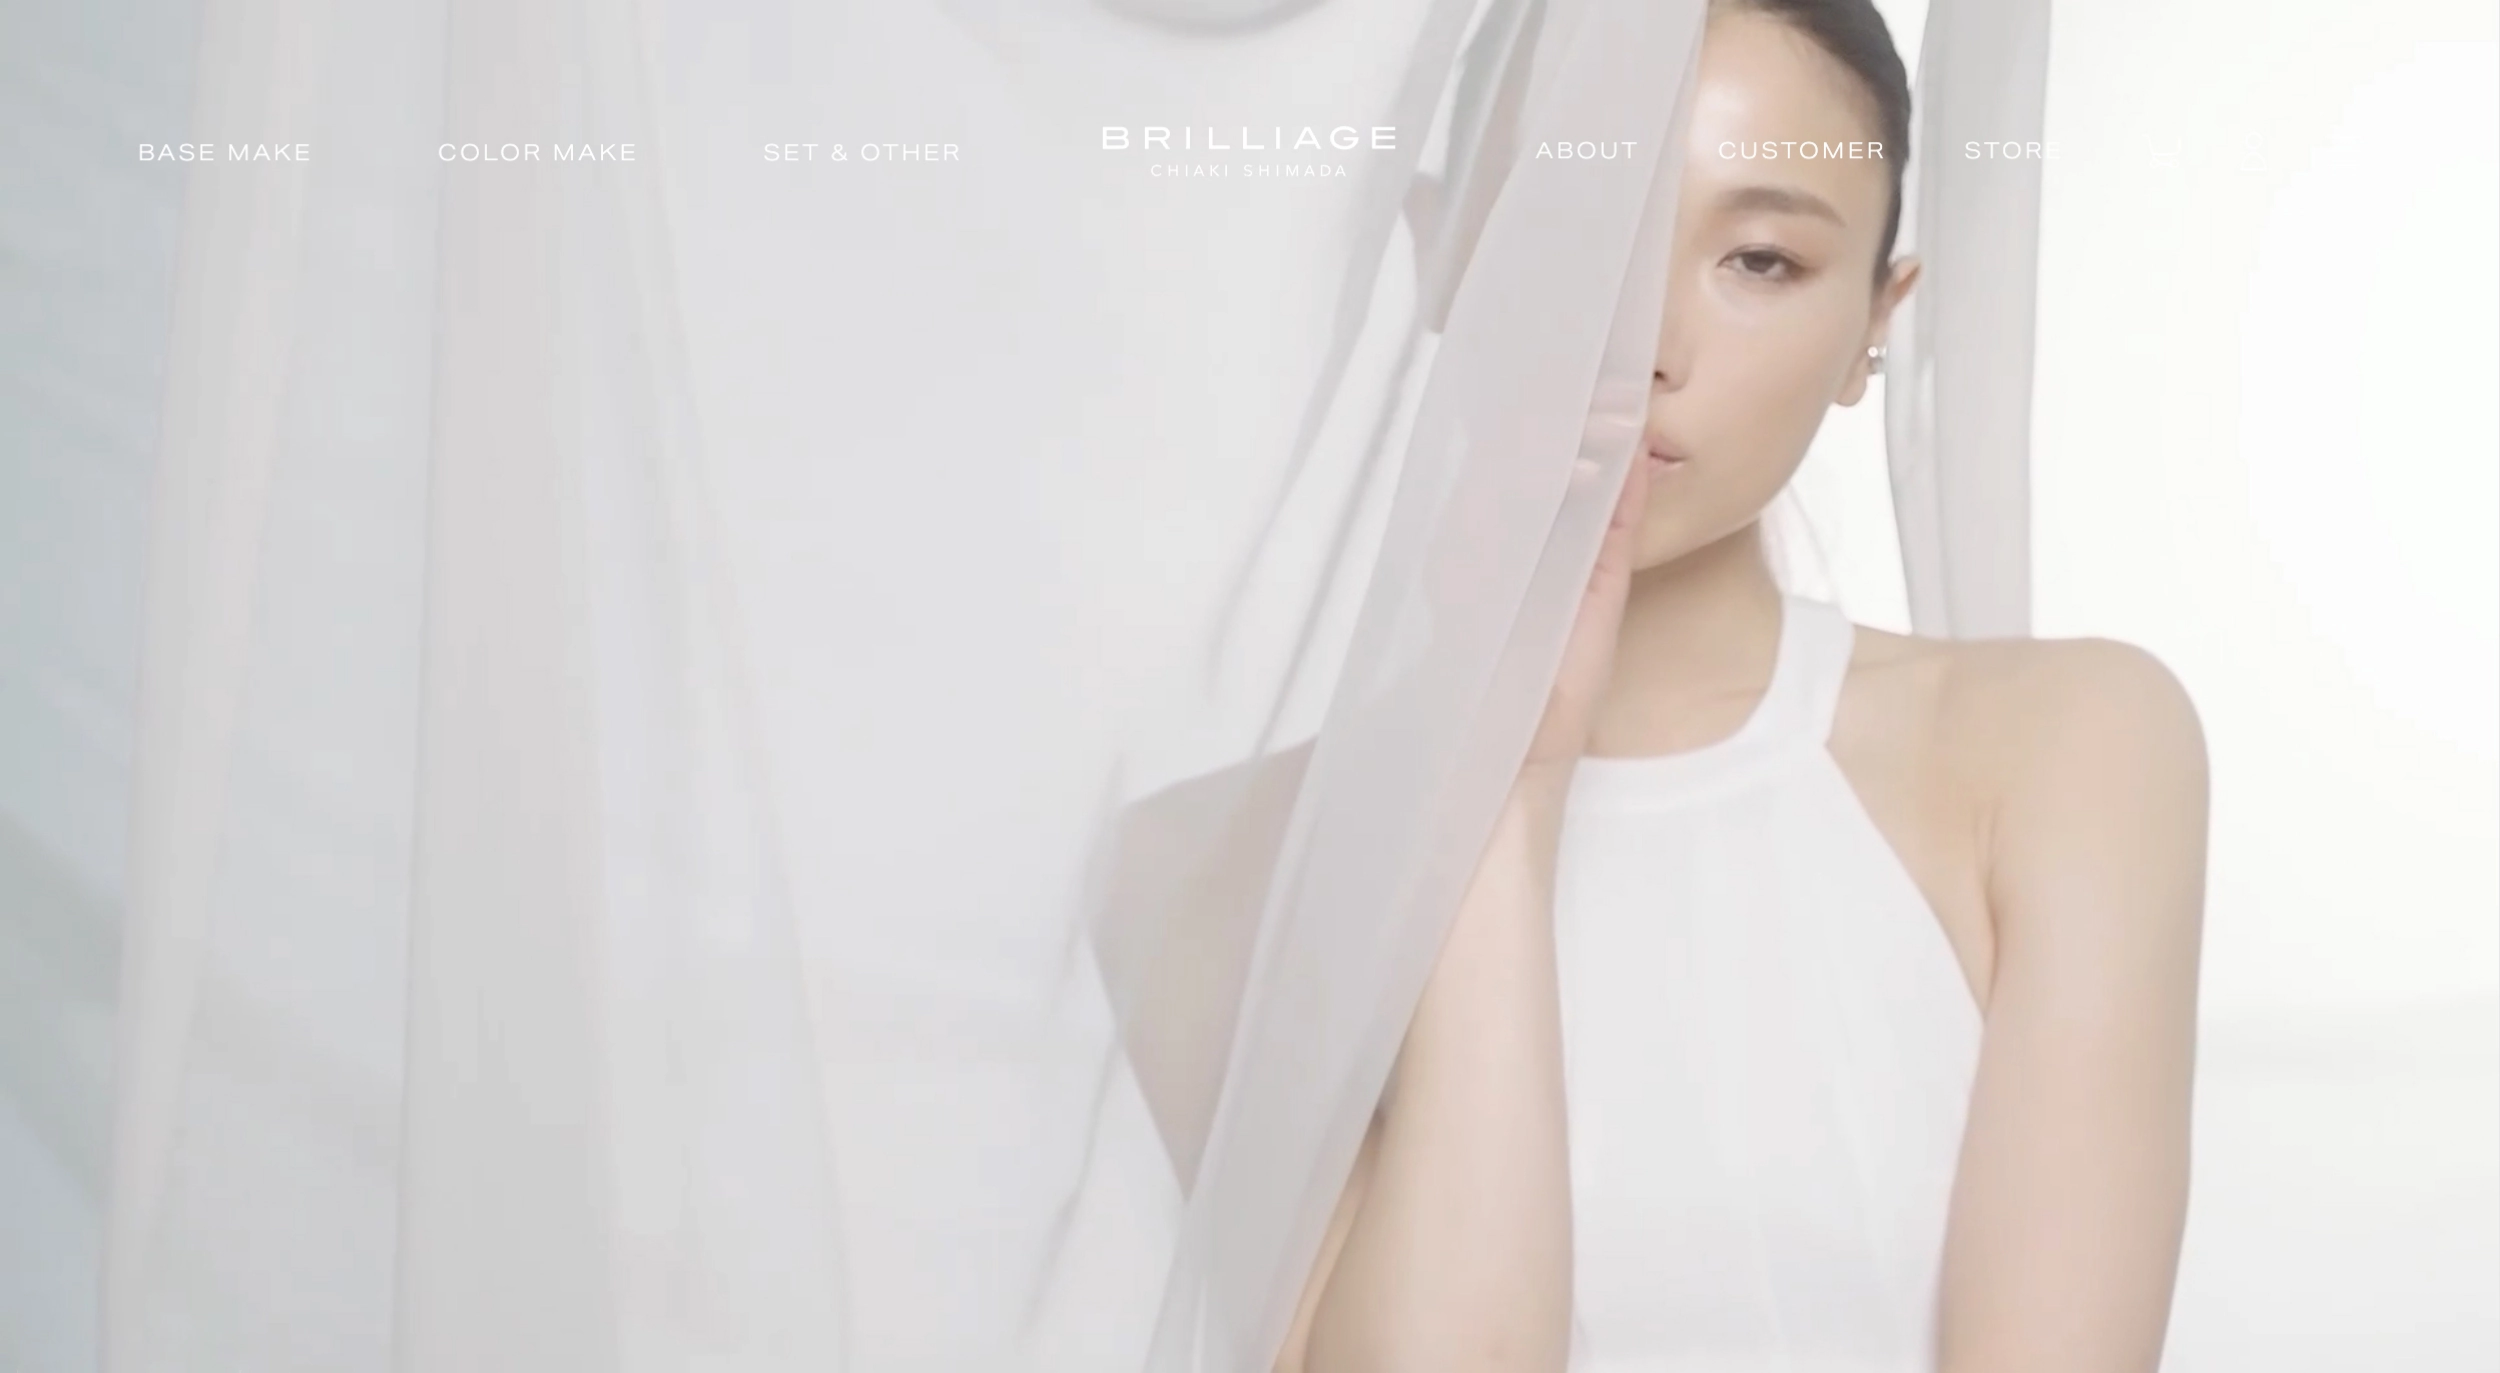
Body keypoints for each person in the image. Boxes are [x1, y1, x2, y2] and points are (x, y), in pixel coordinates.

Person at [1271, 1, 2211, 1370]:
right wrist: (1505, 793)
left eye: (1760, 259)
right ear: (1440, 249)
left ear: (1874, 326)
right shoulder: (1225, 874)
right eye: (1578, 221)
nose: (1646, 342)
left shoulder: (2070, 754)